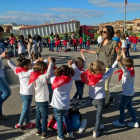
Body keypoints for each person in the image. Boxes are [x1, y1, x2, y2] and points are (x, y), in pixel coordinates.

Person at [70, 54, 121, 138]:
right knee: (99, 116)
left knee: (97, 112)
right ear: (98, 72)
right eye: (104, 69)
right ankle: (95, 131)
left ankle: (99, 125)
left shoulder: (88, 75)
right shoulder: (103, 77)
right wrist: (116, 60)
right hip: (100, 100)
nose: (105, 70)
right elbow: (111, 70)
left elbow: (79, 72)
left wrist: (72, 64)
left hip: (92, 99)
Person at [83, 25, 118, 109]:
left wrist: (121, 54)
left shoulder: (113, 43)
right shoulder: (102, 42)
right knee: (101, 85)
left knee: (105, 86)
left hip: (108, 66)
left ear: (110, 33)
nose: (103, 33)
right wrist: (86, 51)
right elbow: (97, 51)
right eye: (102, 31)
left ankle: (105, 103)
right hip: (99, 67)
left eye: (105, 32)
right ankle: (108, 98)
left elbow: (118, 51)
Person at [112, 50, 139, 128]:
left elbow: (123, 67)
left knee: (121, 107)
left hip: (126, 94)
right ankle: (135, 121)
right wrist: (123, 53)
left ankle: (121, 122)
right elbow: (125, 63)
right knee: (129, 107)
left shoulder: (127, 72)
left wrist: (119, 60)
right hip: (131, 93)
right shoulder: (131, 69)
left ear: (126, 65)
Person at [7, 57, 36, 129]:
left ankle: (28, 122)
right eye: (30, 64)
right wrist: (45, 62)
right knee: (25, 109)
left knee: (27, 109)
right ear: (25, 66)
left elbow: (12, 66)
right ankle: (20, 123)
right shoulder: (29, 72)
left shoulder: (18, 71)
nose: (31, 65)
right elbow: (36, 68)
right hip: (28, 94)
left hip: (22, 94)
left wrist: (8, 60)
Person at [29, 58, 54, 139]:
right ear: (41, 69)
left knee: (38, 115)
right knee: (44, 117)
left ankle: (38, 129)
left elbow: (46, 74)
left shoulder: (34, 76)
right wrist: (50, 63)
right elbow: (48, 74)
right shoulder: (40, 78)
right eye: (44, 69)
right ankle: (44, 132)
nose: (45, 70)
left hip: (38, 99)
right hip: (43, 100)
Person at [50, 65, 74, 140]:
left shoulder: (54, 79)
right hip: (65, 104)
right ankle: (70, 133)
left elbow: (50, 75)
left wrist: (51, 65)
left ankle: (60, 136)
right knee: (65, 117)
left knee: (59, 120)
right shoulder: (70, 79)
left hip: (57, 104)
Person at [0, 26, 11, 120]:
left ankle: (0, 113)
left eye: (2, 34)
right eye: (0, 34)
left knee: (1, 93)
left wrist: (4, 56)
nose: (1, 36)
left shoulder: (0, 43)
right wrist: (1, 56)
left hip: (1, 70)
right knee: (7, 92)